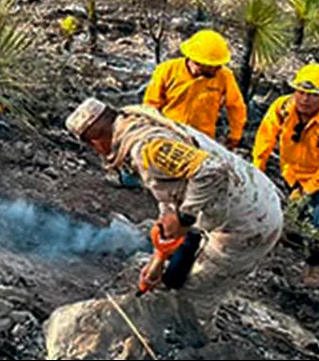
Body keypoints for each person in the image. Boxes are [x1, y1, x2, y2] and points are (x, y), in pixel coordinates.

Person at [66, 97, 283, 321]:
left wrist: (185, 217)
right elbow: (170, 185)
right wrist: (158, 258)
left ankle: (199, 340)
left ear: (95, 141)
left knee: (195, 292)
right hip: (234, 202)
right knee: (176, 273)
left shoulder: (148, 147)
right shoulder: (135, 123)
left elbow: (212, 171)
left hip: (250, 221)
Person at [253, 62, 319, 284]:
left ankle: (316, 264)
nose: (305, 99)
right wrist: (257, 169)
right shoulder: (282, 108)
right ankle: (288, 238)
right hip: (293, 171)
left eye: (312, 95)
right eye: (300, 92)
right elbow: (265, 137)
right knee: (288, 213)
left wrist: (306, 190)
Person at [144, 29, 247, 149]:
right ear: (198, 62)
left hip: (203, 141)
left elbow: (236, 106)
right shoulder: (167, 70)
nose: (219, 68)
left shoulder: (224, 76)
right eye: (214, 66)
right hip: (170, 134)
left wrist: (235, 135)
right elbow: (150, 106)